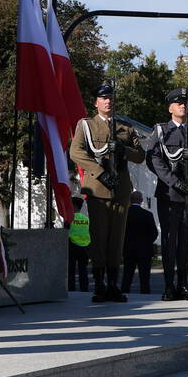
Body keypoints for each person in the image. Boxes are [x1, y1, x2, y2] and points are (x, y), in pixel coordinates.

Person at [68, 83, 145, 303]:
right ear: (96, 102)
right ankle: (100, 284)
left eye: (111, 98)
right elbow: (76, 151)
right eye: (103, 99)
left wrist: (124, 150)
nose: (108, 102)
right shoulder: (87, 125)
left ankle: (113, 284)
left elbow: (140, 155)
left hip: (120, 189)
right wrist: (100, 172)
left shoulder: (125, 127)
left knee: (117, 240)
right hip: (98, 189)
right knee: (99, 238)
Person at [144, 87, 188, 301]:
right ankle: (168, 286)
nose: (183, 105)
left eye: (185, 103)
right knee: (169, 240)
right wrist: (174, 182)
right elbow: (153, 160)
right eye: (178, 103)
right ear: (170, 108)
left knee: (185, 241)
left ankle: (183, 284)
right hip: (169, 193)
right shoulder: (161, 131)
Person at [121, 191, 158, 295]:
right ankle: (145, 294)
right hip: (145, 250)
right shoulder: (148, 214)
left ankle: (124, 293)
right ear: (141, 200)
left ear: (130, 200)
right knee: (145, 277)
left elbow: (120, 232)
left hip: (129, 249)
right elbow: (154, 233)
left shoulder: (125, 214)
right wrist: (147, 242)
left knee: (127, 275)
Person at [67, 196, 91, 293]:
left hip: (72, 246)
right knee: (83, 270)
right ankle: (84, 288)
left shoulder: (69, 219)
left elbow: (66, 232)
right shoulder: (86, 219)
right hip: (85, 247)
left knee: (71, 270)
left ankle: (71, 289)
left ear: (74, 206)